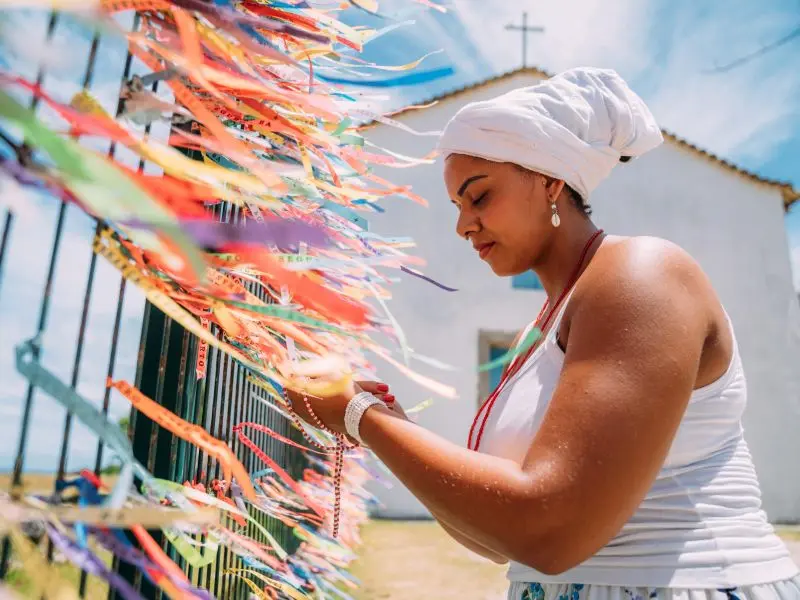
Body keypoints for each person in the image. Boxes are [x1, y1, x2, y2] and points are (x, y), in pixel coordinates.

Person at [284, 67, 800, 599]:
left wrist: (358, 415)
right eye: (458, 207)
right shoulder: (545, 325)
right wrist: (388, 424)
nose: (463, 225)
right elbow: (497, 536)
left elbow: (549, 529)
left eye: (479, 197)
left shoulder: (640, 274)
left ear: (551, 180)